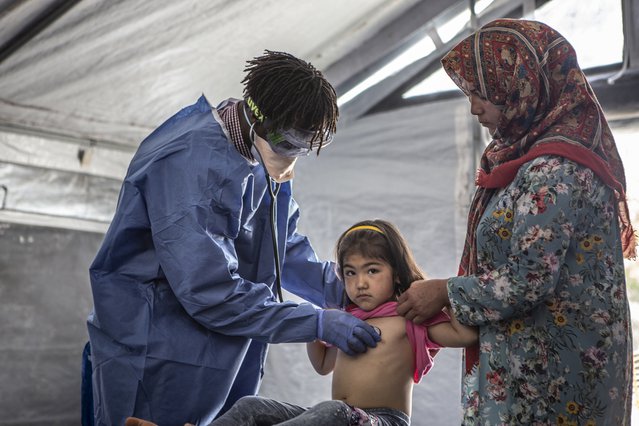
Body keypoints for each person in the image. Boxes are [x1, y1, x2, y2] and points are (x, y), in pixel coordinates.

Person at [86, 50, 381, 426]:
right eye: (288, 144)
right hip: (154, 354)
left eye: (303, 149)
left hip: (220, 357)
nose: (291, 159)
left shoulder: (258, 156)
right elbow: (210, 290)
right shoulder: (189, 162)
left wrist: (342, 286)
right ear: (259, 117)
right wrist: (316, 323)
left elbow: (278, 247)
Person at [396, 19, 637, 425]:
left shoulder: (556, 170)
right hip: (535, 372)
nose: (474, 108)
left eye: (482, 94)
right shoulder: (527, 160)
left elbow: (528, 279)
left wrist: (444, 291)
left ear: (521, 88)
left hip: (555, 384)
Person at [151, 219, 474, 426]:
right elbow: (323, 365)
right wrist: (316, 326)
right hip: (337, 418)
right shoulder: (349, 319)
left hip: (383, 421)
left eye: (372, 271)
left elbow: (464, 334)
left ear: (398, 274)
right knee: (252, 406)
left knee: (332, 410)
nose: (360, 283)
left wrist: (444, 292)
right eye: (350, 273)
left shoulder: (409, 318)